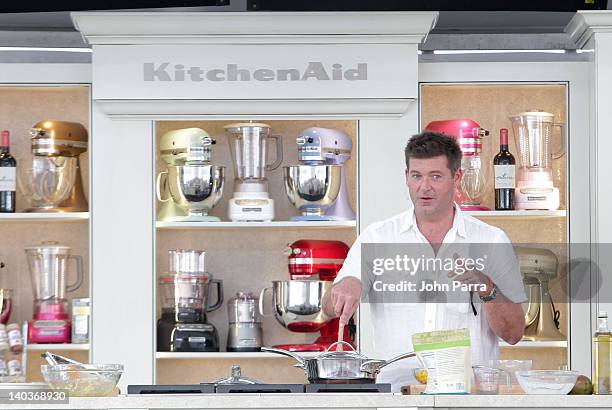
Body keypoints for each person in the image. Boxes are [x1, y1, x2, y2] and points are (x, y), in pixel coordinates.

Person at [322, 131, 526, 390]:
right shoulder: (377, 237)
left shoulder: (491, 241)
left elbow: (514, 333)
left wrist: (485, 286)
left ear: (457, 178)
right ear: (406, 177)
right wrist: (346, 285)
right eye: (416, 176)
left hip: (468, 401)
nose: (424, 187)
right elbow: (329, 308)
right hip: (397, 398)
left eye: (436, 177)